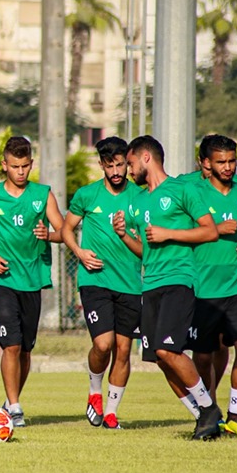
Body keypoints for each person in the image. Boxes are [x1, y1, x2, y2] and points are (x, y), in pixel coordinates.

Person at [113, 135, 221, 440]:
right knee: (159, 358)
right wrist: (123, 235)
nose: (128, 169)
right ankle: (203, 414)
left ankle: (209, 408)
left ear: (146, 158)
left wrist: (168, 233)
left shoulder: (181, 189)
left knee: (168, 349)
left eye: (130, 162)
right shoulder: (139, 200)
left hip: (178, 280)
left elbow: (210, 231)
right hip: (151, 284)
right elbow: (145, 251)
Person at [0, 136, 65, 427]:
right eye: (15, 166)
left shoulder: (43, 195)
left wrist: (51, 235)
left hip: (32, 282)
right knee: (11, 345)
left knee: (25, 350)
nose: (20, 172)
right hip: (0, 280)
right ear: (4, 165)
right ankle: (16, 408)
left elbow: (63, 231)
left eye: (25, 166)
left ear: (31, 164)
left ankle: (10, 401)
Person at [60, 137, 142, 430]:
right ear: (102, 166)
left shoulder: (140, 197)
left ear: (127, 162)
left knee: (123, 350)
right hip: (95, 280)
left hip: (131, 284)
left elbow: (146, 249)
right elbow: (66, 229)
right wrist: (80, 252)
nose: (116, 170)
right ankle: (94, 389)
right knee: (103, 344)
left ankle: (111, 412)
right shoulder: (86, 195)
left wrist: (126, 235)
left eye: (120, 164)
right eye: (110, 166)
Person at [186, 135, 237, 438]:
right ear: (205, 163)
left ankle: (236, 415)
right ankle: (210, 412)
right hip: (202, 289)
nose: (228, 167)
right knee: (205, 356)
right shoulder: (190, 191)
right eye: (221, 162)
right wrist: (214, 230)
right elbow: (177, 231)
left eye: (232, 160)